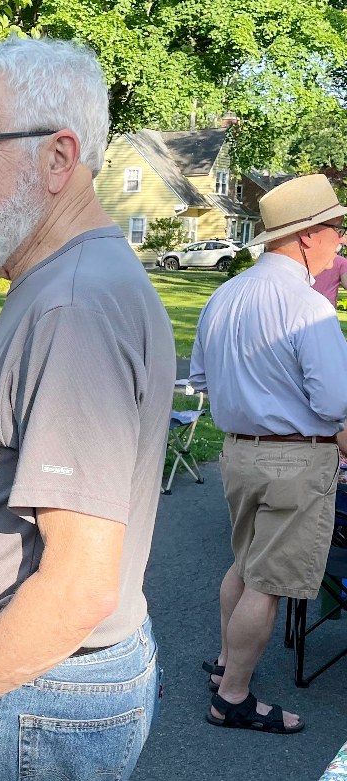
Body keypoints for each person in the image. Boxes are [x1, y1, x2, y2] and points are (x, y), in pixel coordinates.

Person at [0, 36, 173, 780]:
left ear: (60, 158)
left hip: (25, 695)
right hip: (37, 688)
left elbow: (80, 583)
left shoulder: (71, 304)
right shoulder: (64, 278)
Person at [189, 173, 347, 734]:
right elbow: (334, 402)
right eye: (335, 228)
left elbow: (201, 377)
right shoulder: (307, 306)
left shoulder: (225, 294)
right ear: (306, 237)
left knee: (246, 563)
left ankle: (228, 663)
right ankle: (232, 697)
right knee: (268, 580)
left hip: (239, 452)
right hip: (295, 459)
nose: (341, 239)